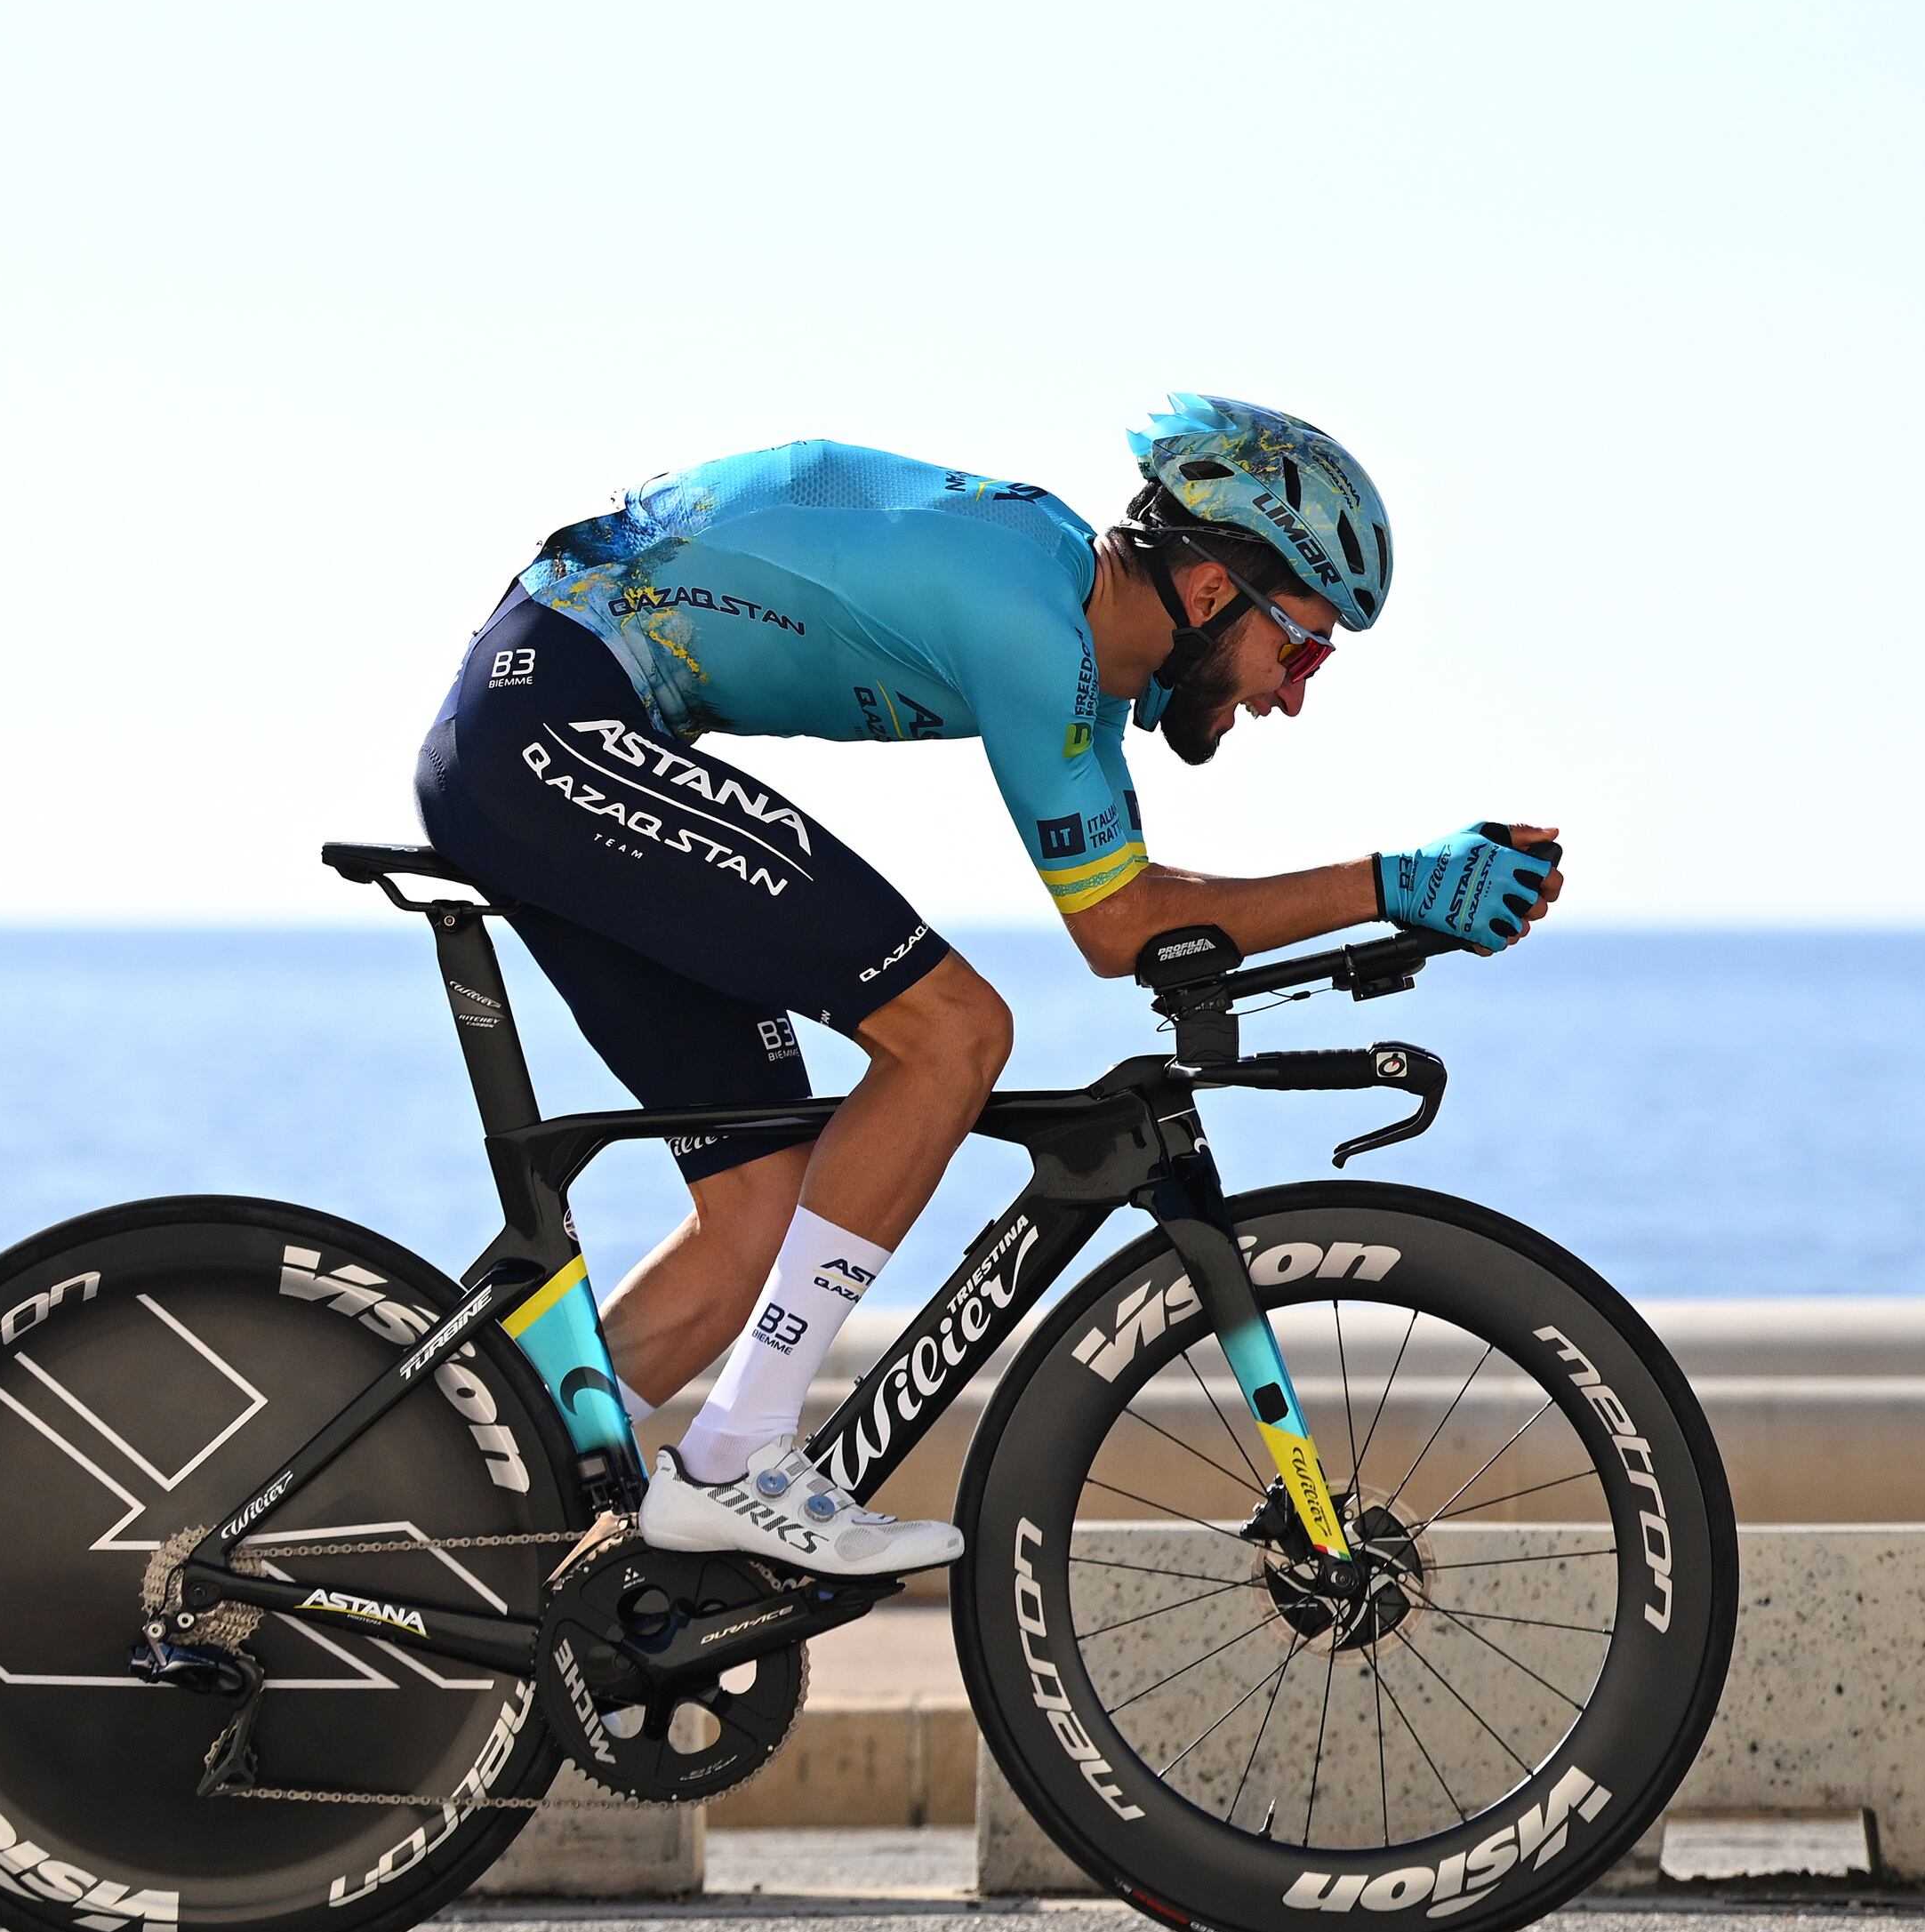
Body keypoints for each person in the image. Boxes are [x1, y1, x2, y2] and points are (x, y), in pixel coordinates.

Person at [411, 395, 1563, 1576]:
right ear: (1216, 590)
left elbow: (1145, 912)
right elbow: (1119, 926)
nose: (1293, 693)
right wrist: (1389, 881)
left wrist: (1393, 902)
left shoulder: (1068, 636)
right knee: (953, 1031)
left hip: (549, 723)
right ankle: (734, 1457)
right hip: (548, 721)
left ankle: (450, 1498)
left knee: (760, 1210)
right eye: (1303, 645)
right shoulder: (1033, 620)